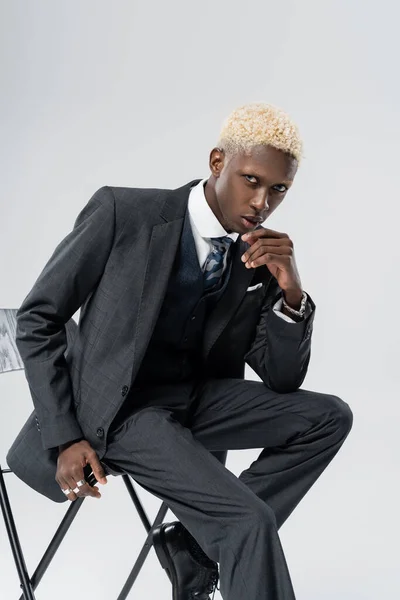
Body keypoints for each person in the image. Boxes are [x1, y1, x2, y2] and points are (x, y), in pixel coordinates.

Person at [8, 103, 353, 600]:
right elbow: (38, 318)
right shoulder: (123, 213)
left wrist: (292, 293)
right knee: (247, 522)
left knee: (329, 417)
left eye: (278, 189)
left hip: (195, 403)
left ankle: (193, 547)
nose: (262, 202)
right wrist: (64, 436)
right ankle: (215, 541)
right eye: (251, 180)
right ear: (218, 163)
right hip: (120, 414)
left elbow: (281, 379)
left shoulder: (254, 255)